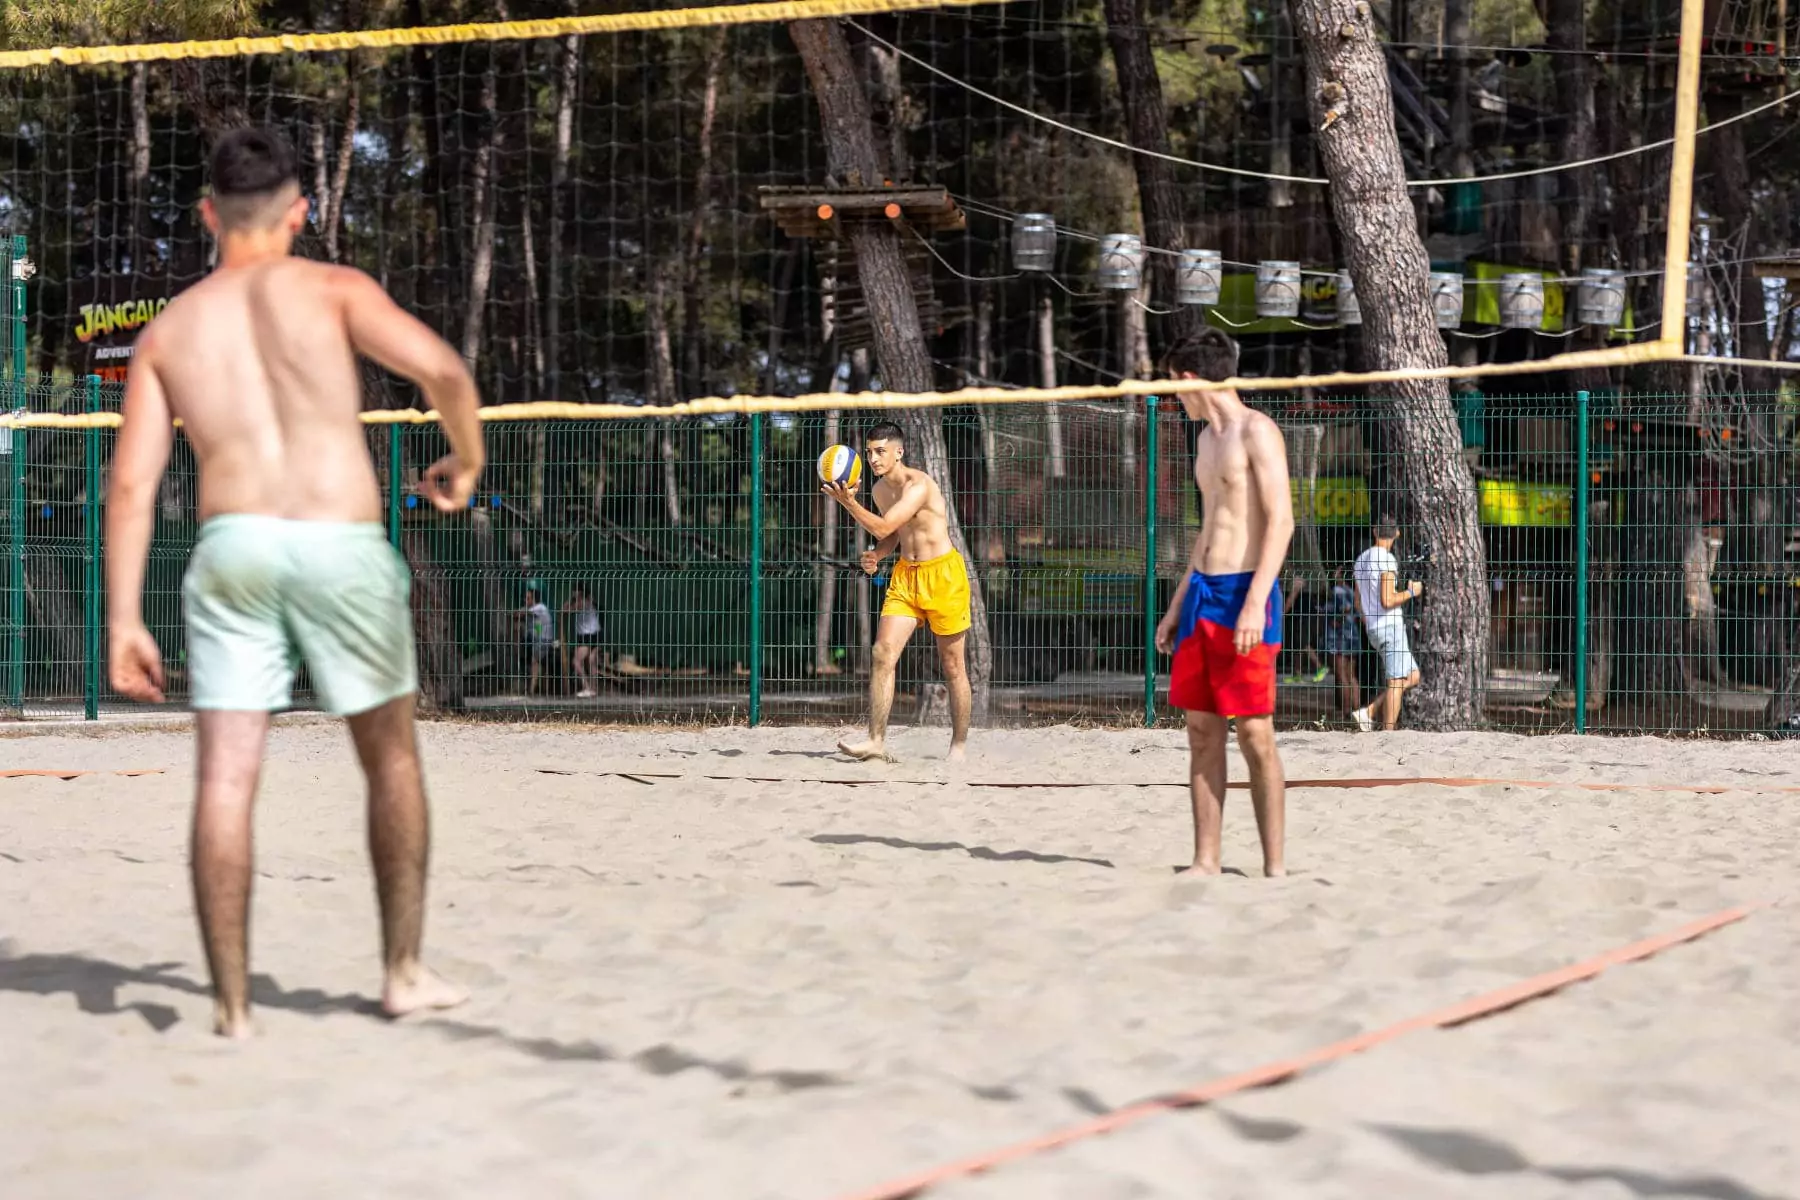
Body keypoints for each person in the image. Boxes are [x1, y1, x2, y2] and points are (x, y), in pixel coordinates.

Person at [105, 127, 483, 1038]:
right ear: (300, 210)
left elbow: (131, 484)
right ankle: (402, 972)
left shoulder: (169, 331)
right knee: (390, 758)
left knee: (226, 783)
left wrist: (123, 617)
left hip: (233, 546)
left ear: (208, 214)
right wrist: (464, 462)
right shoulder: (335, 289)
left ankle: (233, 1011)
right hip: (336, 538)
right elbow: (443, 369)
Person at [1153, 329, 1293, 877]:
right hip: (1204, 595)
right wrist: (1175, 604)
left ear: (1189, 379)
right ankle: (1206, 860)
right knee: (1202, 731)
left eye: (1172, 386)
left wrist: (1256, 602)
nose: (1172, 397)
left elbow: (1281, 521)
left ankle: (1274, 867)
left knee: (1255, 732)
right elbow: (1209, 529)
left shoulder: (1257, 431)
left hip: (1245, 592)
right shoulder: (1207, 439)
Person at [823, 420, 971, 763]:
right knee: (882, 653)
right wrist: (877, 554)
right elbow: (892, 533)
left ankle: (959, 747)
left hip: (943, 577)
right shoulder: (878, 491)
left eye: (880, 452)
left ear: (898, 452)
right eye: (870, 452)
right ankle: (875, 741)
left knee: (953, 667)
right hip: (906, 577)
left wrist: (848, 504)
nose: (873, 458)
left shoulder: (918, 485)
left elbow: (885, 524)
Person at [1351, 516, 1423, 731]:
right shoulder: (1387, 559)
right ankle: (1388, 732)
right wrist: (1411, 592)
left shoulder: (1361, 559)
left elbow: (1357, 600)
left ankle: (1370, 711)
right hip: (1389, 626)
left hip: (1373, 627)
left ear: (1375, 531)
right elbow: (1388, 599)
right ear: (1397, 534)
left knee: (1412, 676)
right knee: (1396, 682)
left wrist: (1368, 620)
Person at [1322, 564, 1363, 717]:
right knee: (1352, 675)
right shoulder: (1353, 592)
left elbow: (1341, 611)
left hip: (1339, 636)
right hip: (1353, 634)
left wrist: (1333, 619)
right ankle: (1357, 709)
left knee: (1341, 675)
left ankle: (1346, 710)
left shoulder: (1337, 591)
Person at [563, 583, 605, 698]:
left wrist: (573, 599)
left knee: (577, 662)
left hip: (590, 635)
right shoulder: (582, 601)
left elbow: (566, 610)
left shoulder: (585, 602)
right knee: (591, 661)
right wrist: (571, 598)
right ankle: (593, 689)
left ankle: (588, 688)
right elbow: (565, 608)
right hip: (591, 634)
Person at [518, 587, 556, 694]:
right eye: (524, 598)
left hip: (544, 641)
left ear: (534, 599)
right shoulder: (533, 610)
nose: (525, 600)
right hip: (538, 640)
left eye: (528, 598)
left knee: (534, 662)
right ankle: (532, 687)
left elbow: (520, 614)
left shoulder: (539, 607)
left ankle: (531, 690)